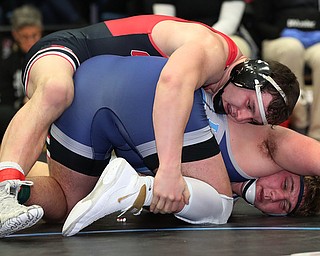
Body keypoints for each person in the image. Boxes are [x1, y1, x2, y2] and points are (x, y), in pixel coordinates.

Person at [0, 13, 300, 235]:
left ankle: (14, 193)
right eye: (248, 105)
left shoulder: (219, 89)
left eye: (252, 119)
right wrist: (169, 171)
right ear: (245, 74)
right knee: (55, 91)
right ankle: (6, 186)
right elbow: (170, 83)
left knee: (64, 203)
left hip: (95, 108)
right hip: (74, 52)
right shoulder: (213, 49)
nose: (240, 116)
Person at [251, 0, 320, 140]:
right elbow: (257, 22)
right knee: (291, 49)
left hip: (315, 40)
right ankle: (298, 122)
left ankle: (317, 133)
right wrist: (279, 32)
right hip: (278, 39)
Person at [148, 0, 252, 57]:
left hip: (224, 35)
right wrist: (186, 41)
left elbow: (229, 21)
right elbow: (166, 22)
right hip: (180, 37)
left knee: (222, 53)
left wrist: (202, 40)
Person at [0, 5, 42, 144]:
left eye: (34, 35)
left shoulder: (49, 58)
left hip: (46, 113)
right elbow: (6, 102)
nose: (30, 41)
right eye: (25, 37)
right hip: (17, 117)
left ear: (40, 32)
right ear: (15, 35)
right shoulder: (7, 63)